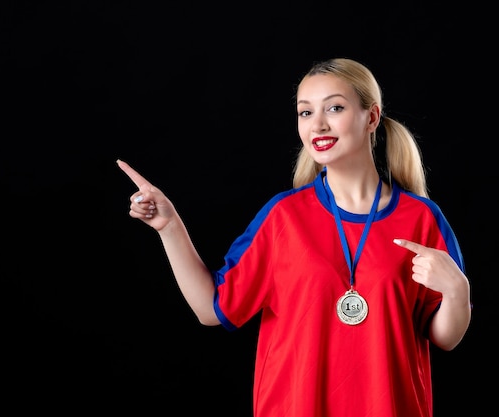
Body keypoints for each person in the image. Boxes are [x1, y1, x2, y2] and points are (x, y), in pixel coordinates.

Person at [116, 58, 471, 417]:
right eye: (305, 112)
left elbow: (445, 337)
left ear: (372, 118)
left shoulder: (421, 218)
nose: (317, 124)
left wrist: (458, 290)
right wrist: (169, 226)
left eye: (334, 108)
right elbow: (212, 309)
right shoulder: (283, 216)